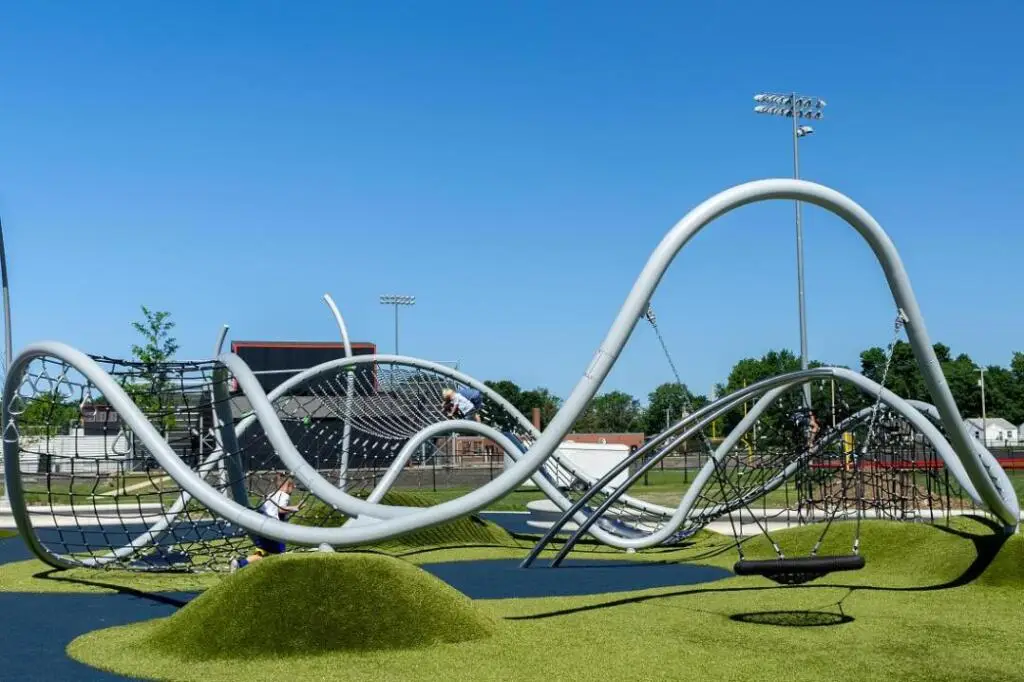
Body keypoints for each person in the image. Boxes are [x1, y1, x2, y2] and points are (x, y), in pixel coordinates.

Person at [230, 474, 299, 572]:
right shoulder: (284, 495)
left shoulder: (271, 494)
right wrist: (293, 508)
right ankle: (282, 573)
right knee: (280, 553)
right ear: (288, 486)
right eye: (292, 487)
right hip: (273, 529)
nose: (293, 489)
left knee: (262, 553)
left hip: (261, 527)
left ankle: (239, 563)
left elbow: (262, 509)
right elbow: (281, 509)